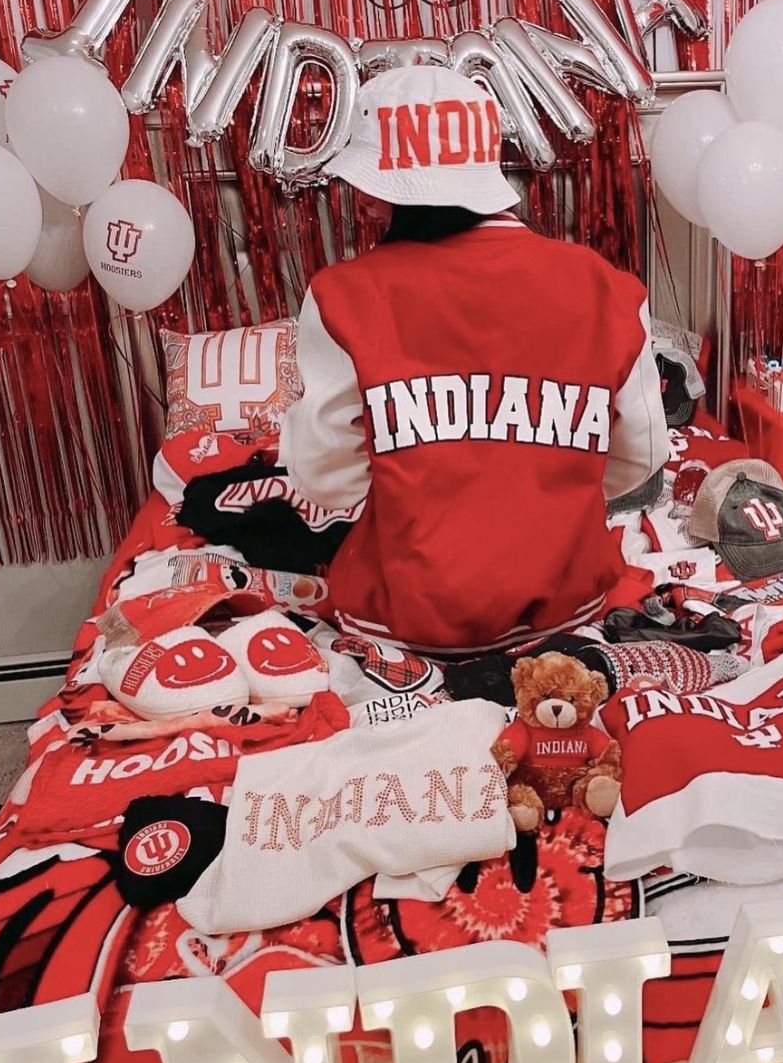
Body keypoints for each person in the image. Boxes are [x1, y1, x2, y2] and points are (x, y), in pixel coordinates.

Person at [280, 65, 668, 656]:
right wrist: (543, 475)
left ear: (380, 194)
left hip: (403, 625)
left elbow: (325, 481)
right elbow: (639, 458)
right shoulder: (607, 288)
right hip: (567, 615)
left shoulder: (341, 296)